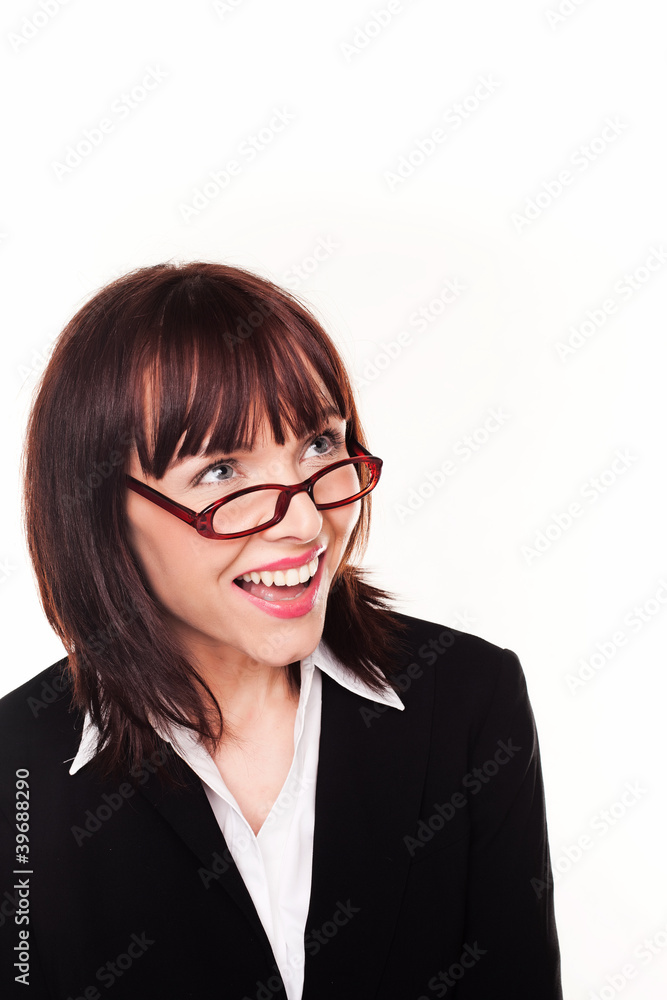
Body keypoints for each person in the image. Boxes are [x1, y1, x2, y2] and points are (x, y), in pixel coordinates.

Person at [0, 261, 562, 999]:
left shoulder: (466, 700)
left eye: (320, 446)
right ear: (102, 512)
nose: (303, 522)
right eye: (221, 472)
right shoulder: (19, 771)